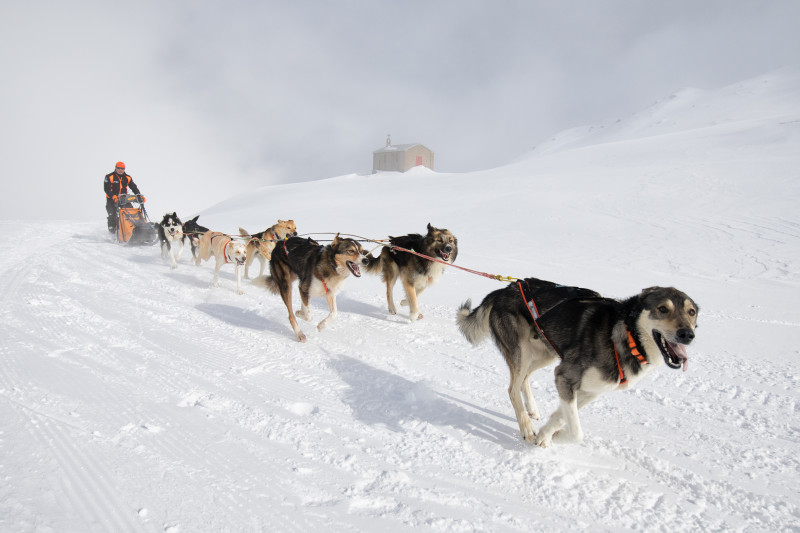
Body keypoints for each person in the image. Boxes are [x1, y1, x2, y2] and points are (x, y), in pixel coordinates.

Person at [104, 161, 144, 233]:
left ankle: (134, 230)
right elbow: (107, 189)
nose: (120, 170)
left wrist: (139, 195)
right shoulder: (109, 177)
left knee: (131, 212)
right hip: (112, 200)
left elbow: (133, 187)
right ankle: (112, 232)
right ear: (115, 168)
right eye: (118, 168)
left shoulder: (127, 177)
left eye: (122, 168)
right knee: (112, 214)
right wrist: (113, 196)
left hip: (124, 199)